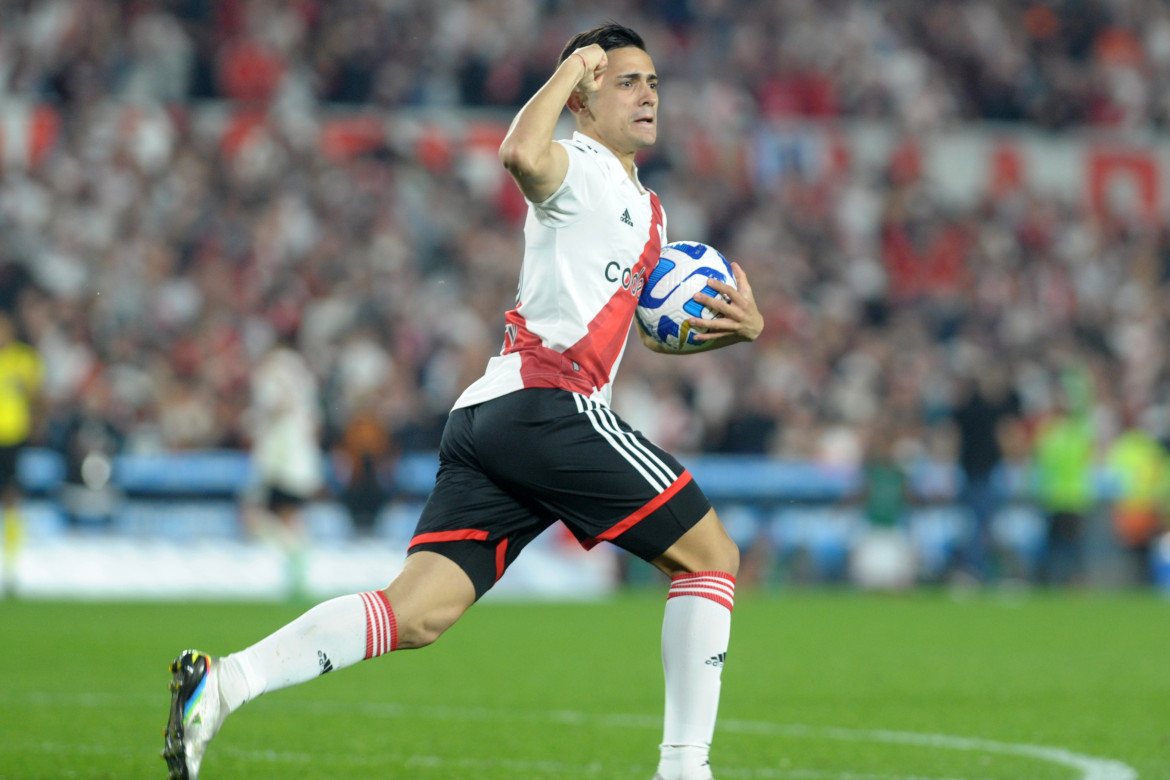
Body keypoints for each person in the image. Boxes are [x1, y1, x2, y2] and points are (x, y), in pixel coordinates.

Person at [163, 23, 763, 780]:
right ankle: (684, 769)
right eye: (624, 80)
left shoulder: (654, 216)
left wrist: (732, 331)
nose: (646, 94)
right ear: (581, 98)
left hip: (497, 413)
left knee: (415, 612)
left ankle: (225, 684)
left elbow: (631, 325)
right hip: (548, 402)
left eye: (652, 82)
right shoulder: (575, 165)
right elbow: (517, 154)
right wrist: (571, 65)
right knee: (712, 555)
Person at [241, 326, 326, 599]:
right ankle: (297, 566)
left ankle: (296, 559)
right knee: (290, 516)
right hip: (301, 456)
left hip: (278, 456)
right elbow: (313, 418)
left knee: (252, 513)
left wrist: (254, 421)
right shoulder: (302, 371)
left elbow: (278, 404)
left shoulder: (270, 369)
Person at [0, 308, 44, 597]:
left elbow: (38, 398)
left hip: (13, 438)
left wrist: (35, 428)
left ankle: (12, 566)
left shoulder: (24, 360)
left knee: (12, 499)